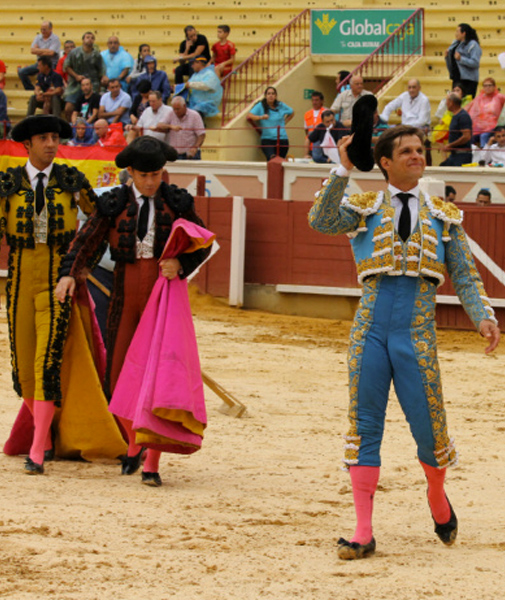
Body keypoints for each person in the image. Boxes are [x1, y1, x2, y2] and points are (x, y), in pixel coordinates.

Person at [308, 123, 501, 560]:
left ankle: (436, 497)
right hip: (370, 330)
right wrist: (342, 169)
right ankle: (362, 530)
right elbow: (320, 220)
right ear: (386, 163)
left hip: (417, 332)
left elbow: (466, 275)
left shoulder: (444, 215)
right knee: (365, 423)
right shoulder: (363, 206)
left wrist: (483, 316)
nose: (418, 155)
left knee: (429, 426)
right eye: (408, 151)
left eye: (420, 149)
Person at [56, 136, 213, 487]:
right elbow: (88, 241)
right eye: (144, 175)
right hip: (123, 293)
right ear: (130, 172)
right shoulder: (113, 202)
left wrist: (181, 262)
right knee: (120, 373)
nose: (151, 181)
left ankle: (150, 460)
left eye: (157, 174)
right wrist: (69, 273)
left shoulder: (176, 201)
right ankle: (132, 443)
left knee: (159, 376)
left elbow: (205, 242)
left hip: (163, 292)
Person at [1, 115, 126, 474]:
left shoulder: (72, 180)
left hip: (59, 283)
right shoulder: (7, 184)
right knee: (23, 369)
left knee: (46, 365)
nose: (51, 144)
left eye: (55, 137)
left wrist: (82, 262)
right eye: (43, 138)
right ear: (28, 145)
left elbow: (100, 220)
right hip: (20, 283)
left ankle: (38, 449)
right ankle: (48, 436)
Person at [63, 32, 105, 123]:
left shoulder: (97, 55)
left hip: (92, 83)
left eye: (92, 38)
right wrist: (76, 76)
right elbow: (66, 66)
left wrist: (103, 78)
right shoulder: (74, 52)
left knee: (91, 109)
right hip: (75, 84)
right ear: (83, 39)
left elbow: (101, 70)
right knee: (68, 108)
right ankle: (71, 127)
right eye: (87, 37)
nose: (89, 39)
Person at [247, 86, 294, 160]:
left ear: (276, 96)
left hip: (282, 138)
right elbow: (250, 115)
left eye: (273, 94)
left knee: (280, 161)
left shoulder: (280, 105)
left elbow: (292, 112)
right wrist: (261, 117)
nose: (271, 95)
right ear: (265, 96)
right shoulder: (260, 105)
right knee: (272, 159)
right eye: (269, 94)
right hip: (267, 139)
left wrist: (285, 122)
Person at [18, 21, 61, 91]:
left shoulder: (55, 39)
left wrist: (38, 50)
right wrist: (46, 50)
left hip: (51, 64)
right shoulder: (38, 37)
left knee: (44, 76)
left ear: (50, 29)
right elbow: (32, 51)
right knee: (22, 72)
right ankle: (30, 89)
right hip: (40, 63)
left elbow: (51, 53)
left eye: (44, 29)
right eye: (41, 29)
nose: (42, 31)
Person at [445, 24, 482, 98]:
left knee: (466, 103)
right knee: (455, 102)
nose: (456, 34)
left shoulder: (473, 45)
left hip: (468, 80)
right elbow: (452, 61)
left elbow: (475, 63)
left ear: (464, 33)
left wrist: (461, 59)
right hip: (456, 78)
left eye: (457, 31)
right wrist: (447, 57)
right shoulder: (455, 44)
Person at [468, 78, 505, 146]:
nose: (487, 88)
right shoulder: (479, 98)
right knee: (470, 137)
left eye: (489, 85)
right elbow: (470, 110)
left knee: (484, 136)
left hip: (494, 125)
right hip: (480, 126)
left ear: (494, 87)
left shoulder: (499, 97)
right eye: (485, 86)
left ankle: (484, 155)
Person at [439, 93, 472, 166]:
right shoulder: (455, 115)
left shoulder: (463, 116)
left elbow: (466, 136)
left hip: (462, 156)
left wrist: (450, 145)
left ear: (451, 102)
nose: (446, 104)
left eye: (447, 101)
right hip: (454, 155)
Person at [303, 91, 327, 157]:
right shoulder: (307, 114)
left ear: (322, 101)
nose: (314, 102)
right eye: (313, 100)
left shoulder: (326, 112)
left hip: (322, 145)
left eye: (316, 100)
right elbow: (306, 131)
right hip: (310, 145)